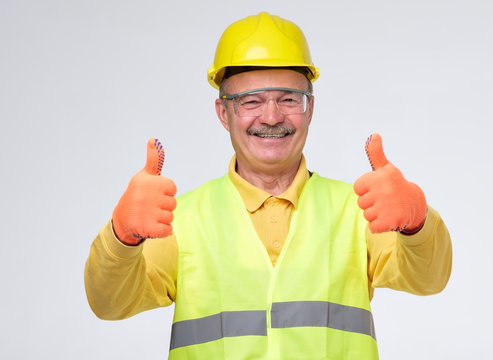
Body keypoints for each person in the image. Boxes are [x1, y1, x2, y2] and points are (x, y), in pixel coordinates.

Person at [85, 12, 452, 360]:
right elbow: (109, 303)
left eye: (289, 99)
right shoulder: (180, 218)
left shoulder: (357, 209)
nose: (272, 116)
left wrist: (417, 225)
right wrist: (121, 238)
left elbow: (429, 280)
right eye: (251, 101)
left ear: (309, 109)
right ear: (223, 112)